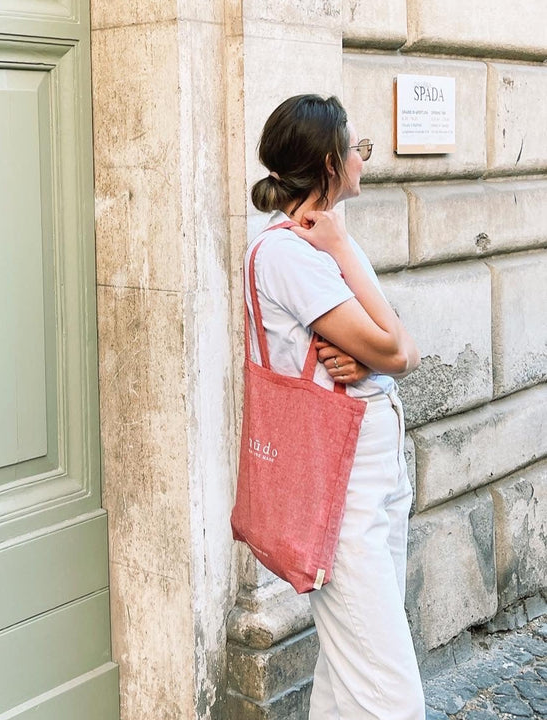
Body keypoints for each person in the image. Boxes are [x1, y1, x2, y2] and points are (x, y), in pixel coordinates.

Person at [246, 94, 425, 718]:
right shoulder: (289, 253)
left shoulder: (322, 242)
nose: (363, 159)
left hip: (372, 472)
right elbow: (396, 351)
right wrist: (379, 350)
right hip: (338, 483)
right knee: (390, 691)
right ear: (330, 161)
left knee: (351, 678)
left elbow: (402, 345)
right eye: (358, 149)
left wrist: (377, 349)